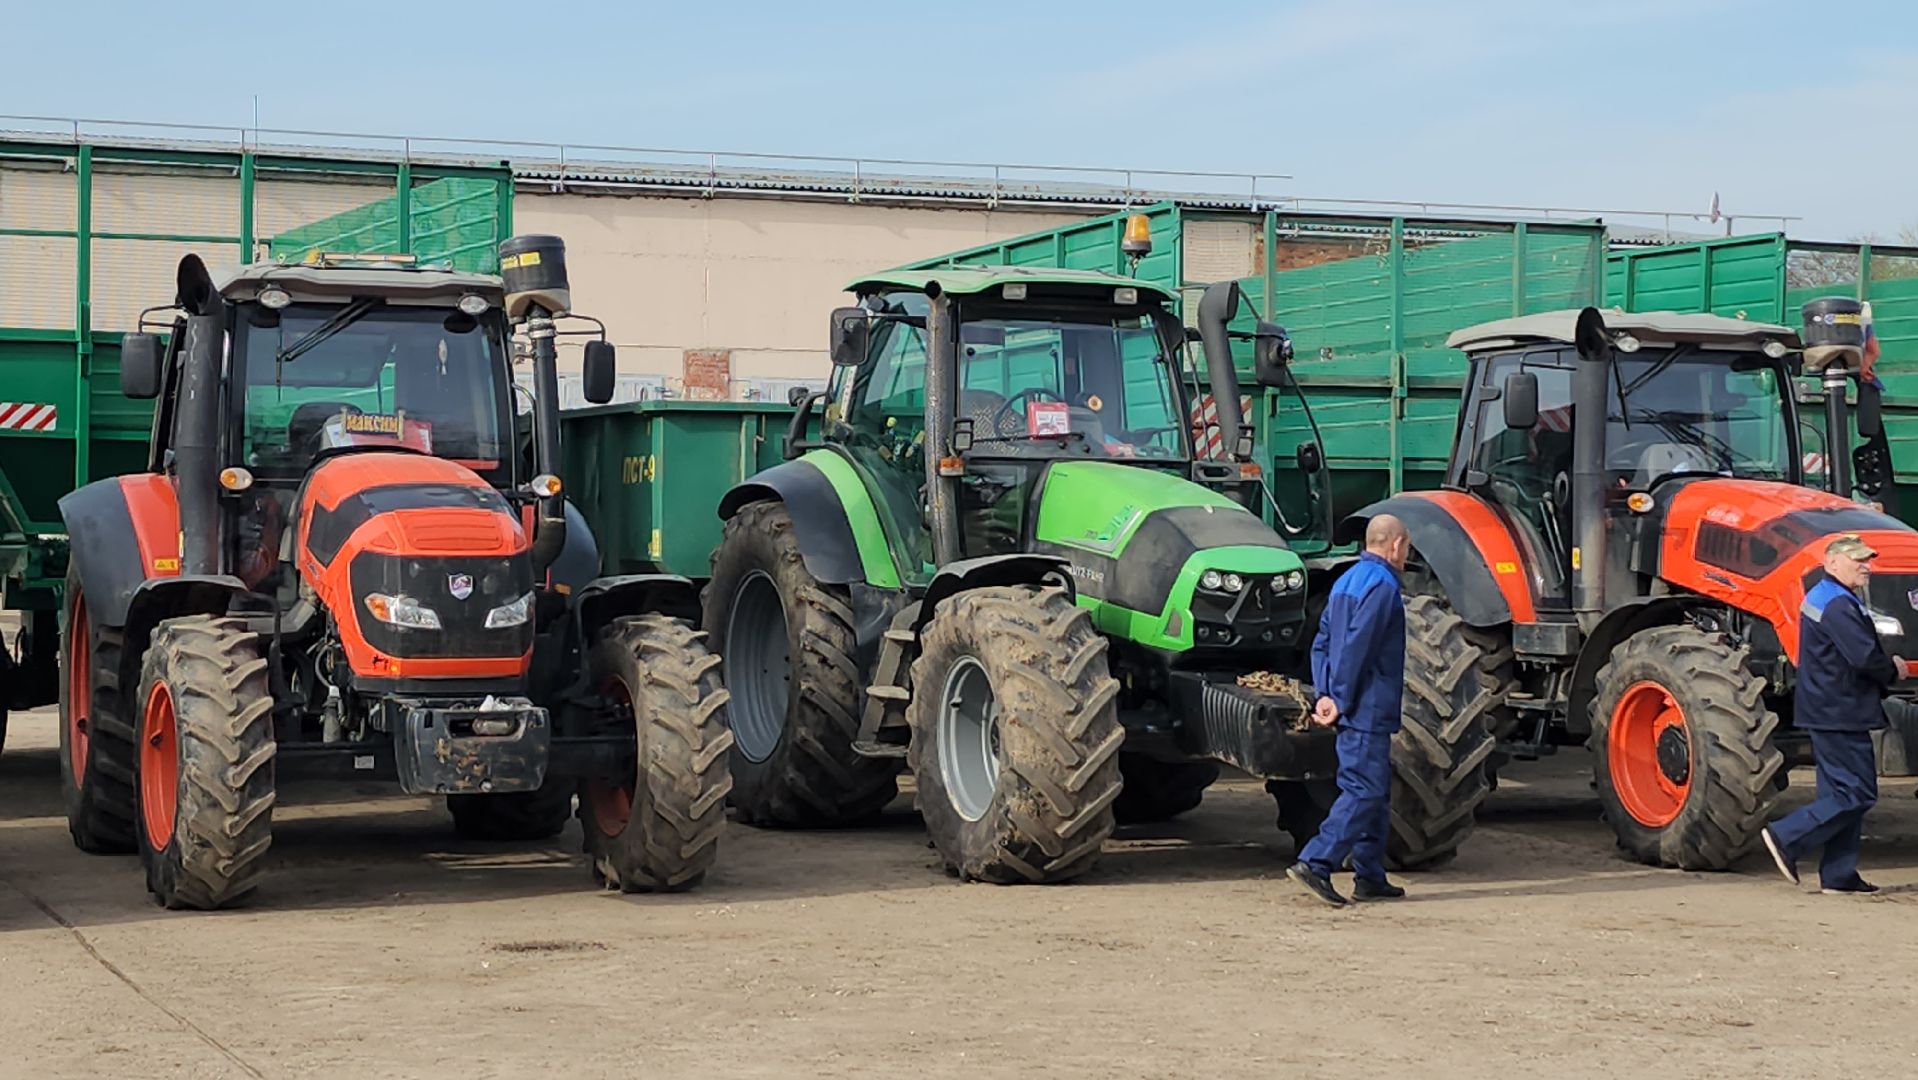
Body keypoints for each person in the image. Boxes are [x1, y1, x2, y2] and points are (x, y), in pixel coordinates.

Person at [1762, 534, 1911, 894]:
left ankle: (1839, 875)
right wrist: (1893, 670)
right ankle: (1786, 836)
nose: (1866, 566)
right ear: (1831, 563)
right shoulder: (1838, 605)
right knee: (1857, 793)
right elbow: (1862, 657)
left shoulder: (1829, 597)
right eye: (1857, 560)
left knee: (1840, 793)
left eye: (1866, 560)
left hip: (1827, 707)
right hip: (1840, 709)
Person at [1287, 514, 1410, 907]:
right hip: (1366, 705)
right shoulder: (1383, 586)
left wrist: (1324, 692)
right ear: (1395, 545)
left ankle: (1370, 875)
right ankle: (1317, 861)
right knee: (1365, 790)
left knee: (1375, 791)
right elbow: (1361, 645)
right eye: (1406, 546)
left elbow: (1322, 640)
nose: (1407, 554)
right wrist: (1340, 698)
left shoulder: (1345, 581)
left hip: (1350, 702)